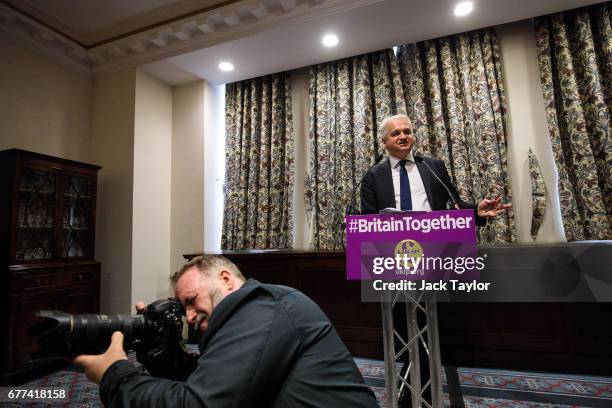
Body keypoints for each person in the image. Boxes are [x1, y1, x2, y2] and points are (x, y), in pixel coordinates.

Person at [74, 255, 380, 407]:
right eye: (184, 310)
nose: (189, 317)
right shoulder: (251, 313)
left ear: (225, 279)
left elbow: (201, 403)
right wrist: (162, 358)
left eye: (192, 301)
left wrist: (114, 373)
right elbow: (221, 380)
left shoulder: (263, 308)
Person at [360, 114, 510, 219]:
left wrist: (476, 210)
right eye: (396, 133)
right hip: (390, 246)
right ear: (384, 142)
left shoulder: (433, 166)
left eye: (407, 132)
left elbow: (454, 204)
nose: (403, 137)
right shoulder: (372, 176)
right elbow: (368, 219)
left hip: (435, 241)